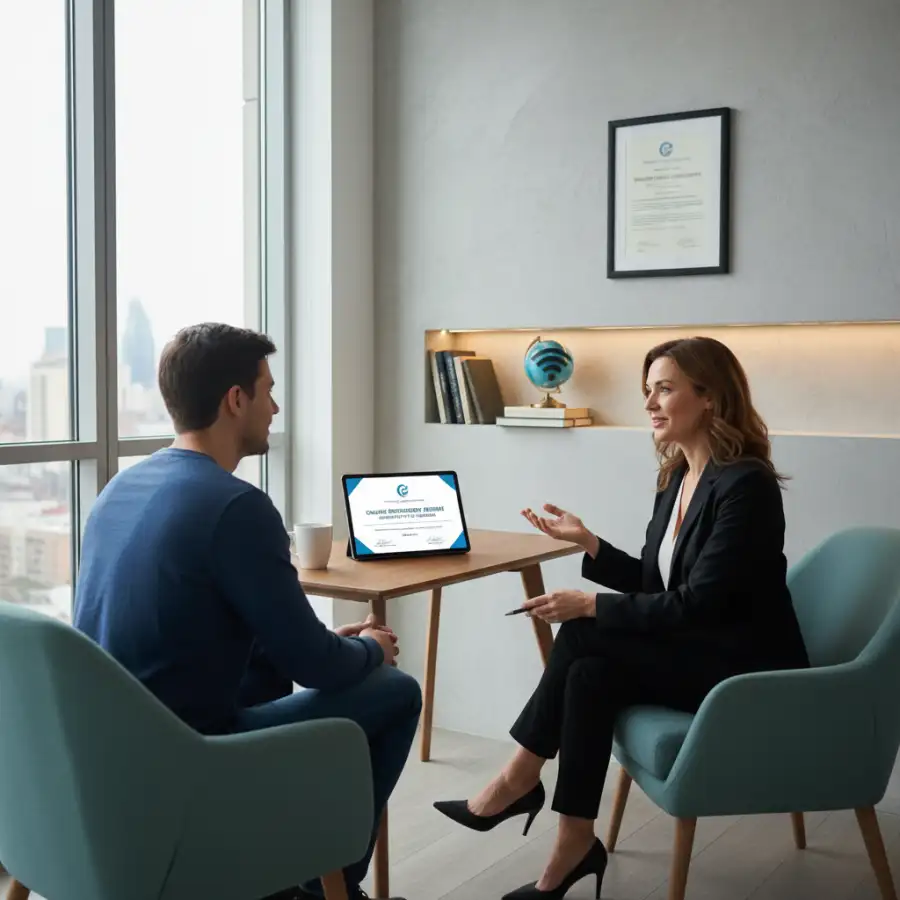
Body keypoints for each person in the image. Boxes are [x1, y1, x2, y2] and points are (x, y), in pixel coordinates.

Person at [433, 336, 809, 900]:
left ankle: (518, 779)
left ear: (709, 396)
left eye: (665, 389)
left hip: (742, 667)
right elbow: (660, 586)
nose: (650, 403)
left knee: (583, 629)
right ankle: (573, 843)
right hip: (697, 648)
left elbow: (699, 603)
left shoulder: (746, 485)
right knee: (589, 674)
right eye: (647, 390)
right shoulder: (677, 478)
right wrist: (589, 543)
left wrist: (590, 604)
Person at [74, 323, 420, 900]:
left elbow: (207, 625)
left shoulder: (120, 488)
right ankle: (325, 884)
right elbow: (317, 668)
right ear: (236, 399)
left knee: (267, 669)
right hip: (187, 752)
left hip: (111, 746)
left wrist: (330, 646)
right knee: (396, 690)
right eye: (268, 390)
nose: (275, 408)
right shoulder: (238, 506)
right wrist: (369, 649)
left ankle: (278, 872)